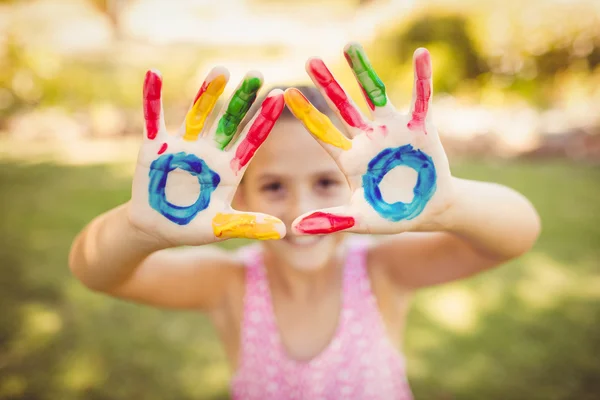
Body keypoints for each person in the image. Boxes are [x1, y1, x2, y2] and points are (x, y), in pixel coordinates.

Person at [69, 42, 541, 400]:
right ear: (242, 193)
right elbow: (96, 271)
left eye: (326, 181)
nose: (299, 211)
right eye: (274, 186)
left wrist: (451, 203)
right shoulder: (228, 285)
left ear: (358, 184)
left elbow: (517, 234)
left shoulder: (383, 272)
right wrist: (138, 227)